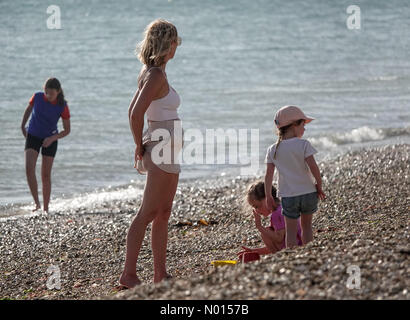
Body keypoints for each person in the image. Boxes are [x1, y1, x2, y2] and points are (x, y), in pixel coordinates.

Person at [119, 19, 183, 289]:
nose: (177, 47)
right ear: (168, 44)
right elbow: (135, 113)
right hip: (159, 149)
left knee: (164, 212)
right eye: (175, 42)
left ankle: (160, 274)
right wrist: (139, 145)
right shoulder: (154, 74)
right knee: (147, 212)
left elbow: (134, 109)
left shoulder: (153, 72)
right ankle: (128, 275)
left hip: (167, 150)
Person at [264, 105, 326, 249]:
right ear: (294, 125)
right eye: (303, 125)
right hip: (308, 192)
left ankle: (291, 255)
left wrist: (268, 195)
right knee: (307, 227)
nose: (304, 129)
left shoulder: (273, 149)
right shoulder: (303, 144)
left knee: (291, 231)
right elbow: (313, 167)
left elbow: (268, 175)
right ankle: (308, 251)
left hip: (288, 195)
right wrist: (319, 184)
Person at [20, 77, 71, 214]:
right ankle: (37, 204)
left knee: (45, 175)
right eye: (46, 92)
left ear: (58, 91)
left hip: (50, 139)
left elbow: (67, 130)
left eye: (52, 94)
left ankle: (46, 208)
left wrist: (52, 138)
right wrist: (22, 126)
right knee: (29, 169)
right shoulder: (37, 97)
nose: (48, 96)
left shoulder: (62, 106)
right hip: (33, 135)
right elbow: (28, 110)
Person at [238, 181, 302, 259]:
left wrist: (259, 226)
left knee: (265, 233)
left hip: (294, 248)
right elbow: (276, 244)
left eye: (257, 206)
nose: (256, 211)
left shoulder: (277, 214)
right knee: (268, 231)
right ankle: (278, 255)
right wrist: (253, 251)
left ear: (266, 199)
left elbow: (279, 239)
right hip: (299, 245)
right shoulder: (282, 207)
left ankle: (279, 257)